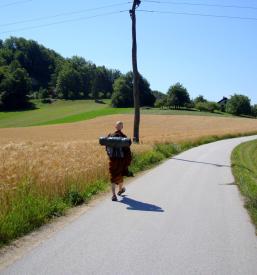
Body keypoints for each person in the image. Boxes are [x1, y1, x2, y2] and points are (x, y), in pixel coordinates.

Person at [106, 121, 132, 201]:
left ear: (115, 127)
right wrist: (128, 162)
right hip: (121, 161)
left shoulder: (110, 136)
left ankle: (114, 195)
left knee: (113, 178)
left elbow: (107, 148)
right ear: (122, 127)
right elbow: (127, 151)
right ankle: (120, 190)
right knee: (120, 176)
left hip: (112, 161)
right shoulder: (124, 137)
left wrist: (110, 156)